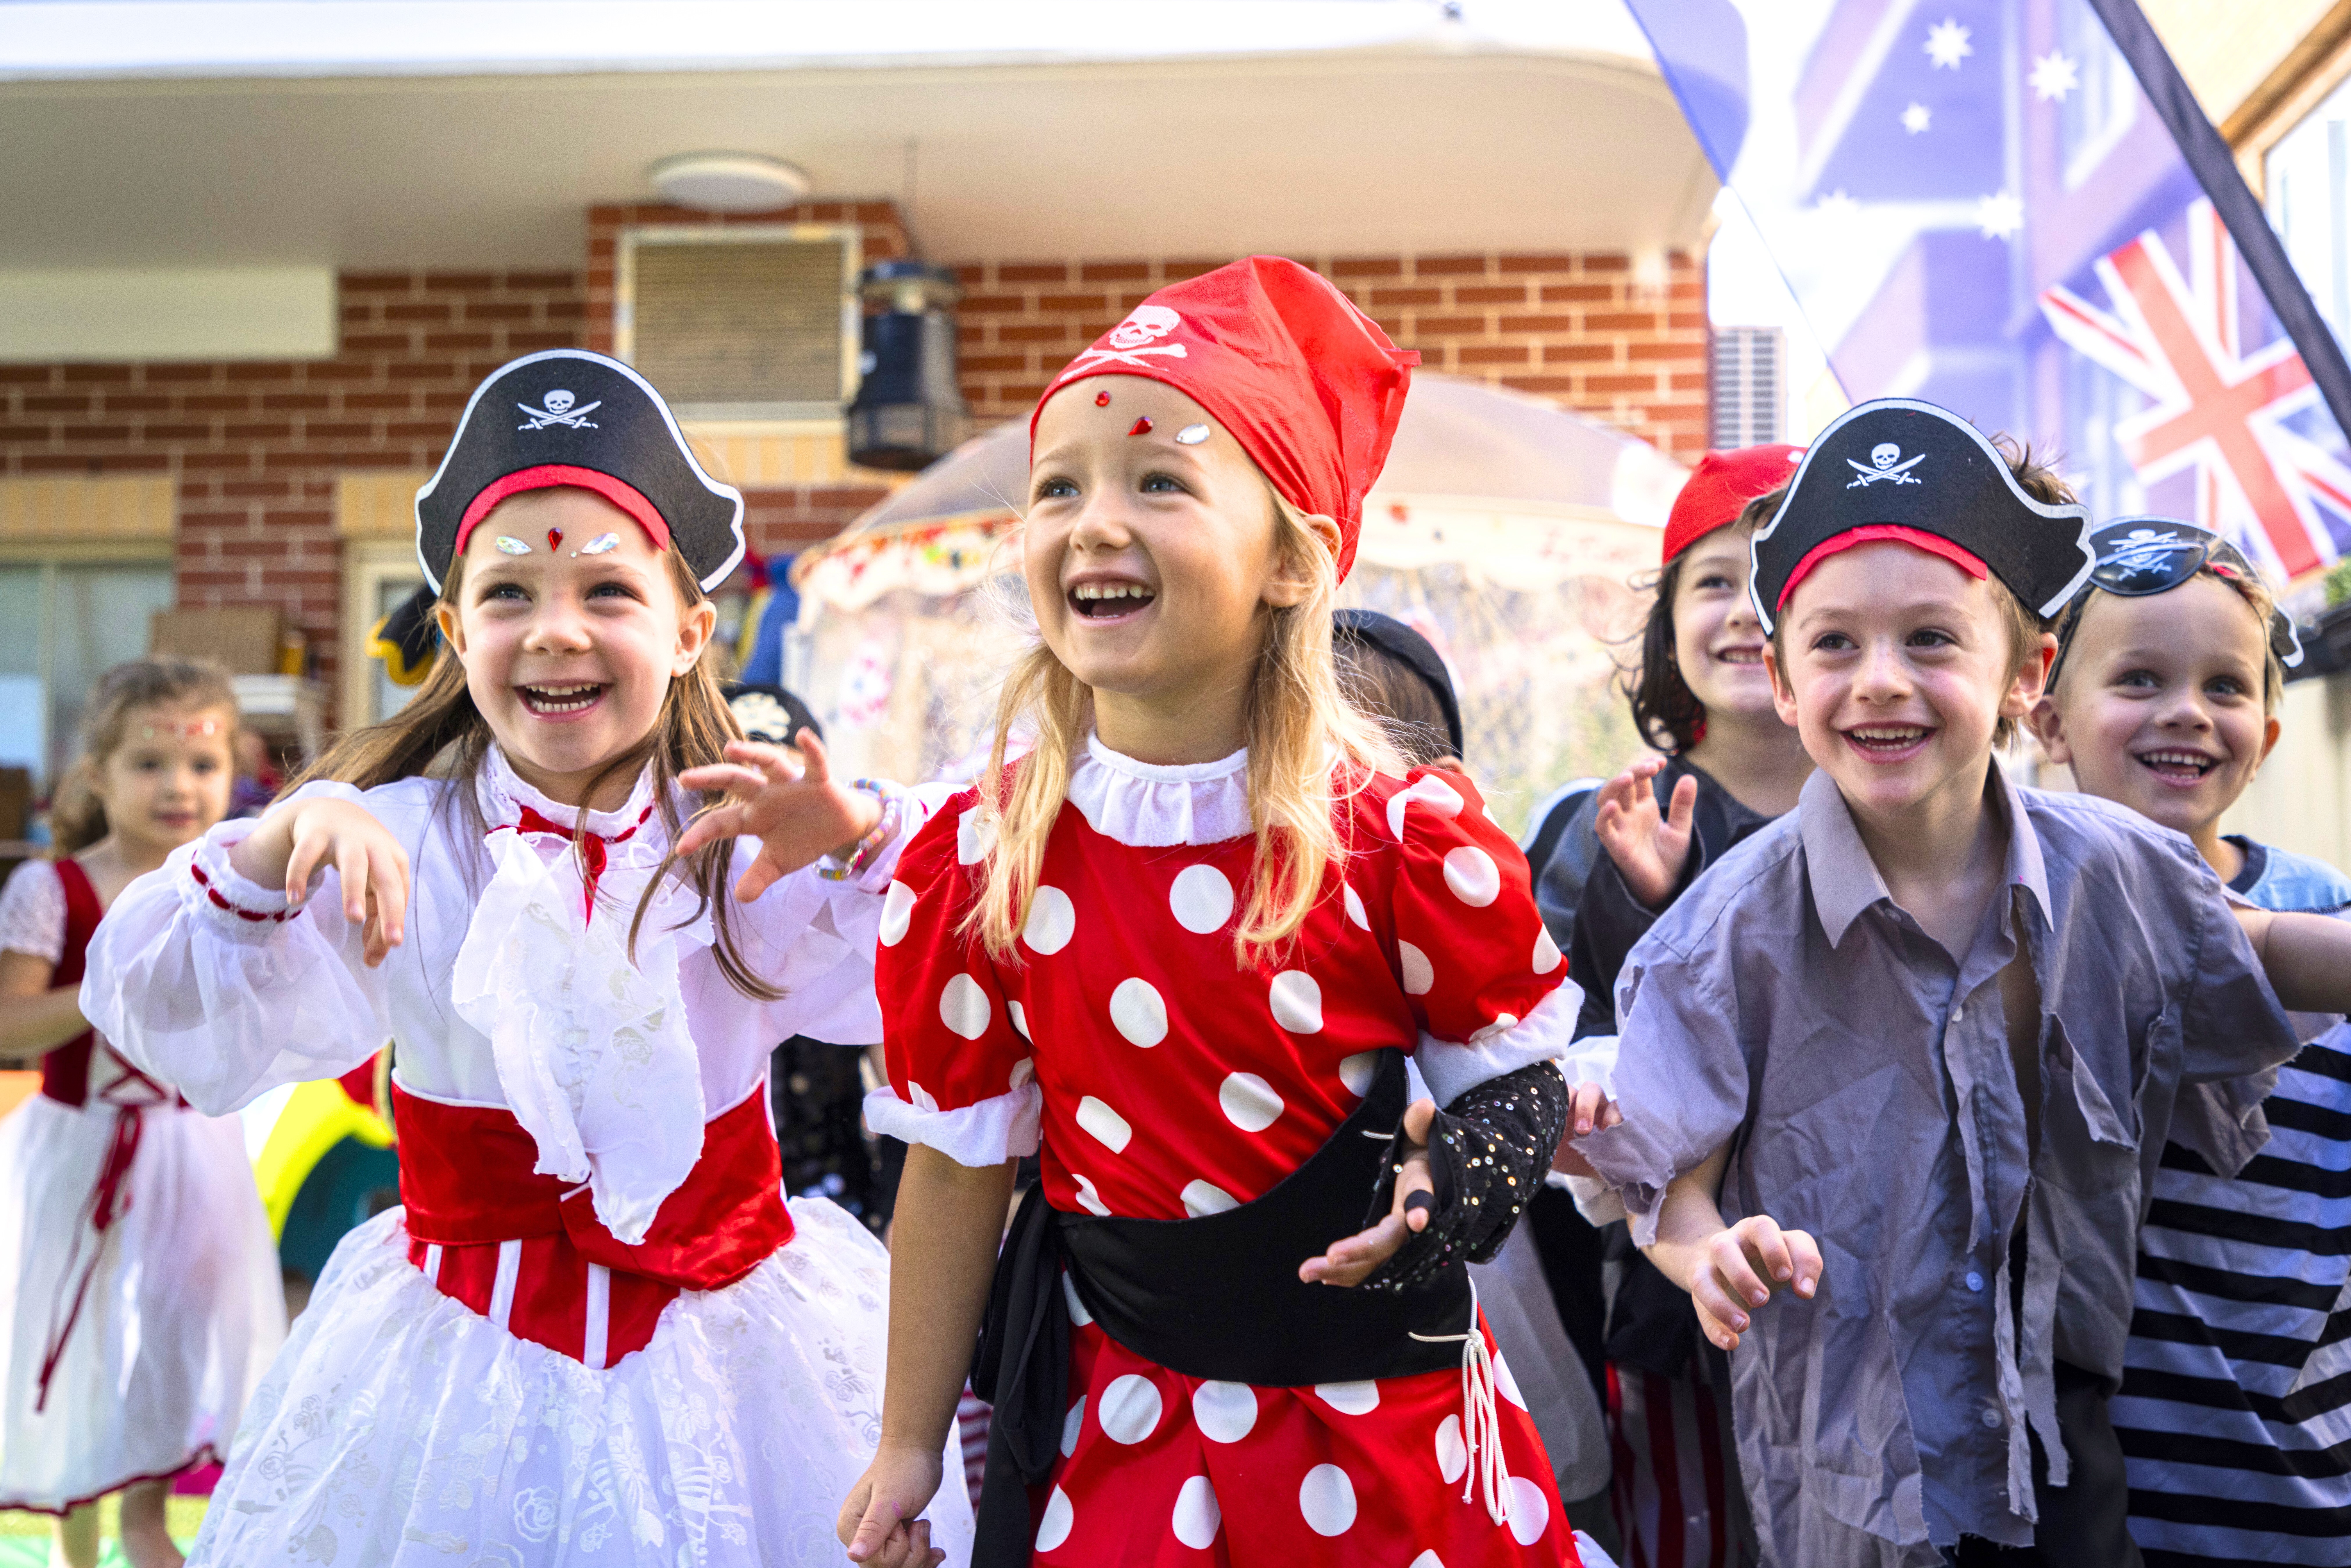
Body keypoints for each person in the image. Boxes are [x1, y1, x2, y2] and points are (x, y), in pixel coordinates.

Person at [85, 348, 974, 1566]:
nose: (557, 631)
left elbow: (988, 937)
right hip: (456, 1358)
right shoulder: (386, 833)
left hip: (736, 1349)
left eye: (608, 591)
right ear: (455, 629)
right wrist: (283, 835)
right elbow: (166, 1009)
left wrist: (867, 840)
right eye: (509, 596)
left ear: (688, 629)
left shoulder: (752, 829)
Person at [838, 257, 1606, 1568]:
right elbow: (960, 1169)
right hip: (1125, 1428)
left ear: (1292, 560)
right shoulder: (988, 855)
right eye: (1059, 486)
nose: (1092, 520)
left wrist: (1450, 1189)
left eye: (1160, 481)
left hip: (1383, 1441)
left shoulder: (1397, 838)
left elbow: (1520, 1086)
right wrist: (912, 1438)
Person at [1573, 397, 2351, 1567]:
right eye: (1836, 644)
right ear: (1783, 679)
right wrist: (1707, 1254)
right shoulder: (1727, 930)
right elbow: (1670, 1181)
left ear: (2024, 672)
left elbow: (2255, 945)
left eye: (1931, 639)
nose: (1881, 679)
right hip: (1850, 1481)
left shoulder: (2114, 868)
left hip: (2064, 1439)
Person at [2025, 517, 2351, 1565]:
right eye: (2139, 678)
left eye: (2225, 686)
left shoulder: (2328, 918)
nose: (2187, 713)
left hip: (2305, 1484)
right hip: (2092, 1508)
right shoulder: (2010, 917)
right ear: (2048, 716)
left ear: (2269, 727)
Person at [1524, 444, 1811, 1568]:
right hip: (1668, 1303)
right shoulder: (1594, 822)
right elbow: (1557, 1047)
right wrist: (1637, 897)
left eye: (1779, 574)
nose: (1748, 609)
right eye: (1713, 581)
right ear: (1666, 629)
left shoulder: (1901, 810)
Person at [0, 659, 284, 1568]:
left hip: (192, 1152)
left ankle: (149, 1519)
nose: (178, 787)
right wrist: (116, 984)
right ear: (98, 776)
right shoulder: (55, 890)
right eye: (149, 764)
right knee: (75, 1334)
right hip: (80, 1147)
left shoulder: (233, 883)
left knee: (177, 1329)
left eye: (201, 767)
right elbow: (12, 1020)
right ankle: (75, 1535)